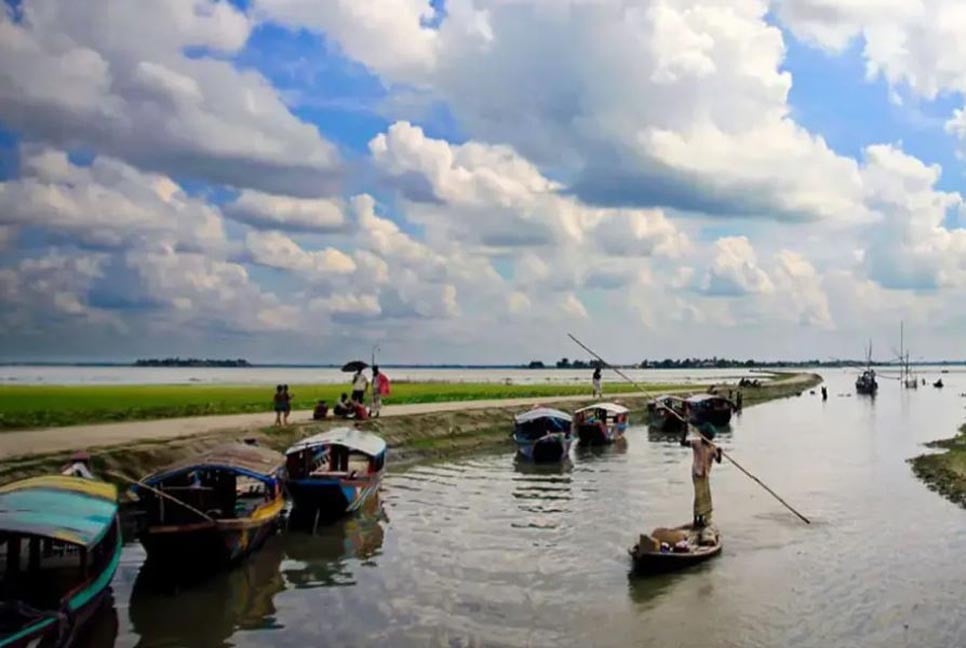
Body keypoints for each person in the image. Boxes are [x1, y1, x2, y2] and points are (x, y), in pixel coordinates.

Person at [681, 423, 722, 532]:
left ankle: (703, 518)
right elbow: (683, 443)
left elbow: (718, 460)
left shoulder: (712, 447)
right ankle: (697, 520)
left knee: (705, 496)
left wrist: (720, 452)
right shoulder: (697, 443)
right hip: (697, 473)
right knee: (699, 496)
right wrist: (685, 430)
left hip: (705, 474)